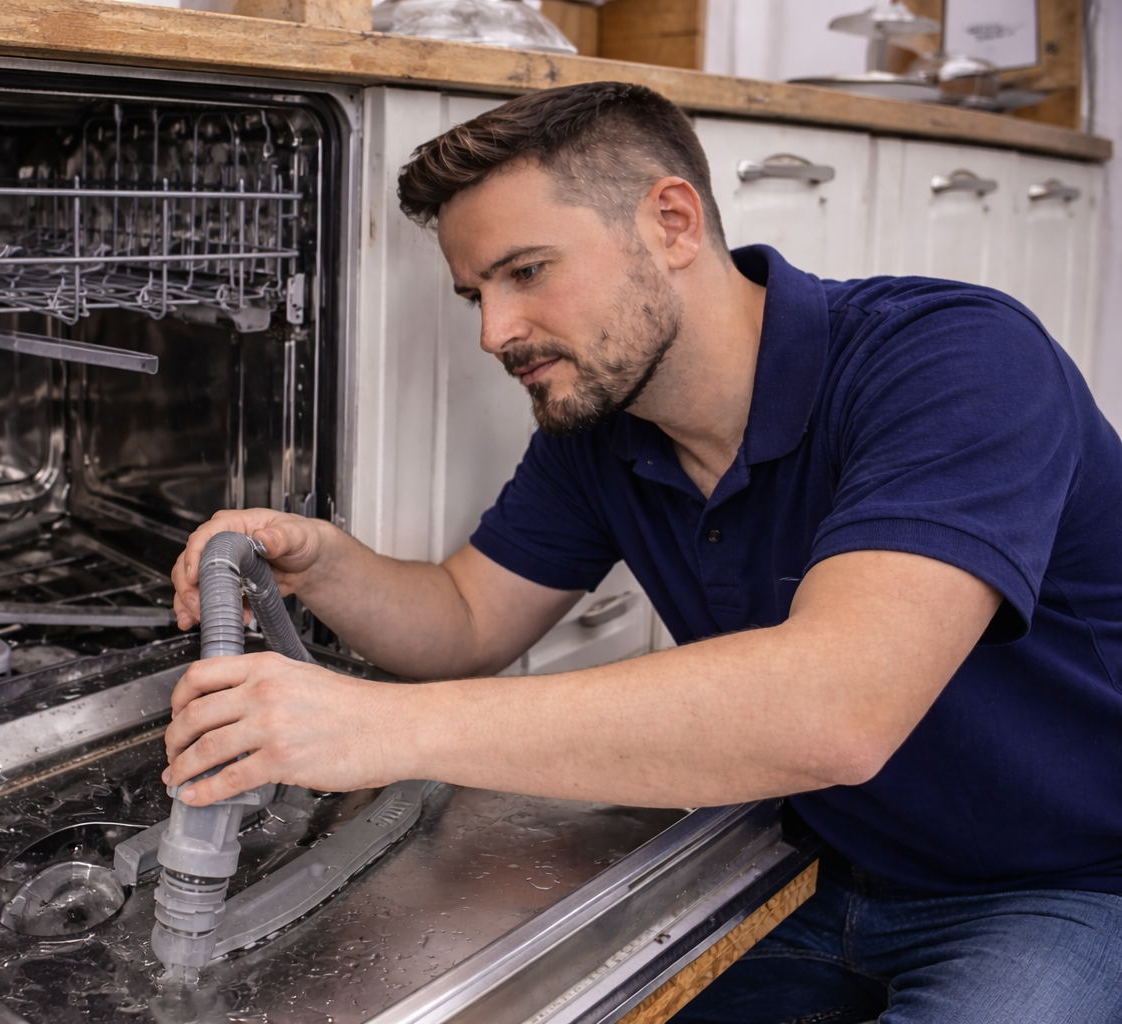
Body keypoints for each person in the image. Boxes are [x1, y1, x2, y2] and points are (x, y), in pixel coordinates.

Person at [160, 82, 1122, 1022]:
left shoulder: (954, 360)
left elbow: (836, 710)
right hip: (814, 859)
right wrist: (322, 561)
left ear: (670, 222)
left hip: (1068, 883)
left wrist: (373, 725)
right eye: (475, 295)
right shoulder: (602, 432)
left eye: (527, 271)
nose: (497, 334)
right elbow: (467, 619)